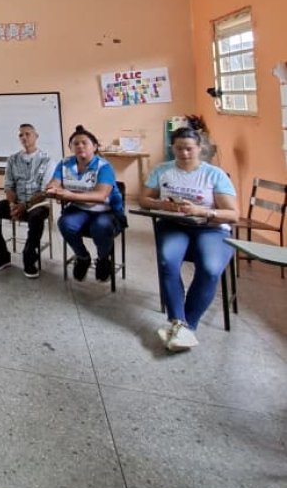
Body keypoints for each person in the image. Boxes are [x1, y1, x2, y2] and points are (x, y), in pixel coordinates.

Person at [139, 126, 238, 351]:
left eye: (189, 149)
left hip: (211, 228)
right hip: (174, 225)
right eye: (179, 149)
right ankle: (177, 321)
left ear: (199, 148)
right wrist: (160, 204)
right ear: (172, 148)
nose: (184, 154)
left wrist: (203, 211)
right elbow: (144, 200)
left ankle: (187, 326)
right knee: (167, 262)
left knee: (211, 269)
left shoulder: (214, 174)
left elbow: (233, 214)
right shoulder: (162, 170)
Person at [46, 124, 125, 281]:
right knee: (65, 224)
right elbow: (54, 182)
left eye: (84, 143)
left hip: (106, 210)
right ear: (71, 147)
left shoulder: (104, 166)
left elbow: (101, 196)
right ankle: (82, 257)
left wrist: (69, 195)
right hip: (79, 208)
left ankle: (103, 259)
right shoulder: (65, 163)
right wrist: (52, 189)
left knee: (101, 227)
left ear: (94, 146)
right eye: (76, 143)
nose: (80, 146)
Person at [0, 125, 54, 278]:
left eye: (28, 134)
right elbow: (8, 186)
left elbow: (44, 191)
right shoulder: (13, 159)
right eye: (21, 135)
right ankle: (2, 256)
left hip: (37, 204)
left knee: (36, 217)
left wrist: (25, 206)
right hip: (17, 202)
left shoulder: (46, 159)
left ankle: (29, 258)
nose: (24, 138)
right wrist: (12, 205)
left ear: (36, 136)